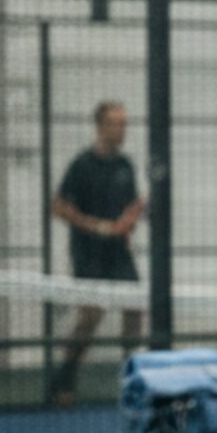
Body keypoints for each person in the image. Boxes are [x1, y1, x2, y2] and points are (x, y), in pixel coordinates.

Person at [49, 99, 145, 406]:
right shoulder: (82, 165)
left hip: (119, 253)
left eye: (124, 124)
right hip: (88, 253)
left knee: (134, 307)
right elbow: (60, 207)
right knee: (90, 317)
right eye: (115, 124)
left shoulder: (126, 166)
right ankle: (64, 383)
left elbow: (131, 205)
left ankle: (134, 377)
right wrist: (99, 227)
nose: (121, 130)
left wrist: (132, 216)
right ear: (100, 127)